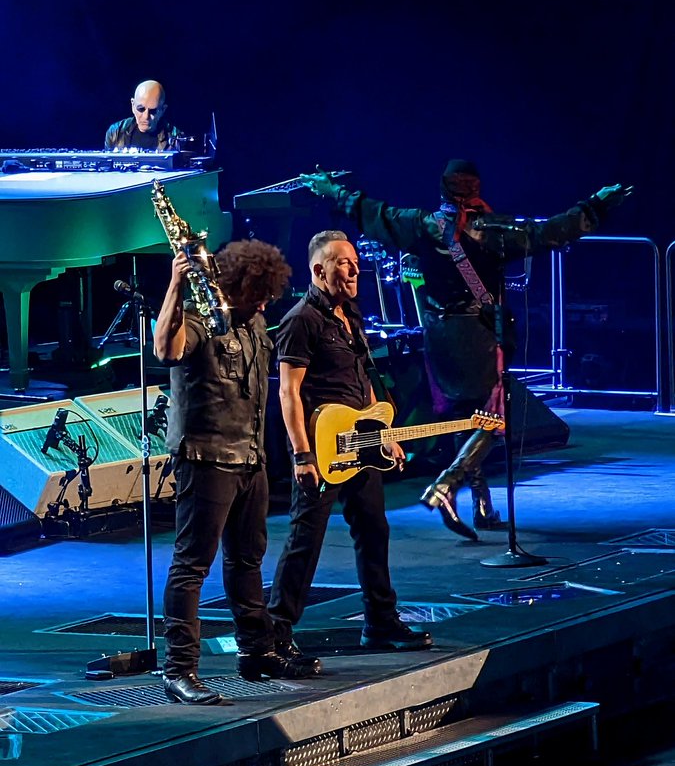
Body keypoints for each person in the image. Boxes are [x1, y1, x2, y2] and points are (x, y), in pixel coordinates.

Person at [300, 164, 631, 541]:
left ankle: (482, 505)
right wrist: (595, 207)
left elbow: (374, 213)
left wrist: (331, 190)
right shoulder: (493, 232)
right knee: (492, 417)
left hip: (438, 337)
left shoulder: (421, 224)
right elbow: (549, 233)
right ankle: (445, 485)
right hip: (475, 336)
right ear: (475, 191)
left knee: (464, 418)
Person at [154, 237, 320, 706]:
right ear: (234, 285)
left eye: (267, 294)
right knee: (192, 565)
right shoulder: (201, 319)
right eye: (256, 294)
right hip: (206, 458)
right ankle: (179, 670)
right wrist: (175, 283)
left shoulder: (256, 322)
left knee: (247, 561)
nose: (263, 302)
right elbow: (166, 350)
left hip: (250, 458)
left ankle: (256, 651)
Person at [267, 229, 433, 652]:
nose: (355, 268)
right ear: (319, 270)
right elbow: (288, 392)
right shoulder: (300, 321)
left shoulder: (350, 314)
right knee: (306, 539)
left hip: (362, 442)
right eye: (343, 262)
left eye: (355, 261)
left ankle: (380, 621)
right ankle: (276, 632)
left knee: (374, 530)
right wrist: (302, 456)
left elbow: (364, 383)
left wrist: (386, 434)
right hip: (322, 447)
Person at [105, 79, 180, 150]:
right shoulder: (116, 132)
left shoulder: (175, 137)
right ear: (133, 105)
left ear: (163, 110)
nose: (146, 116)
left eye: (153, 111)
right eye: (141, 109)